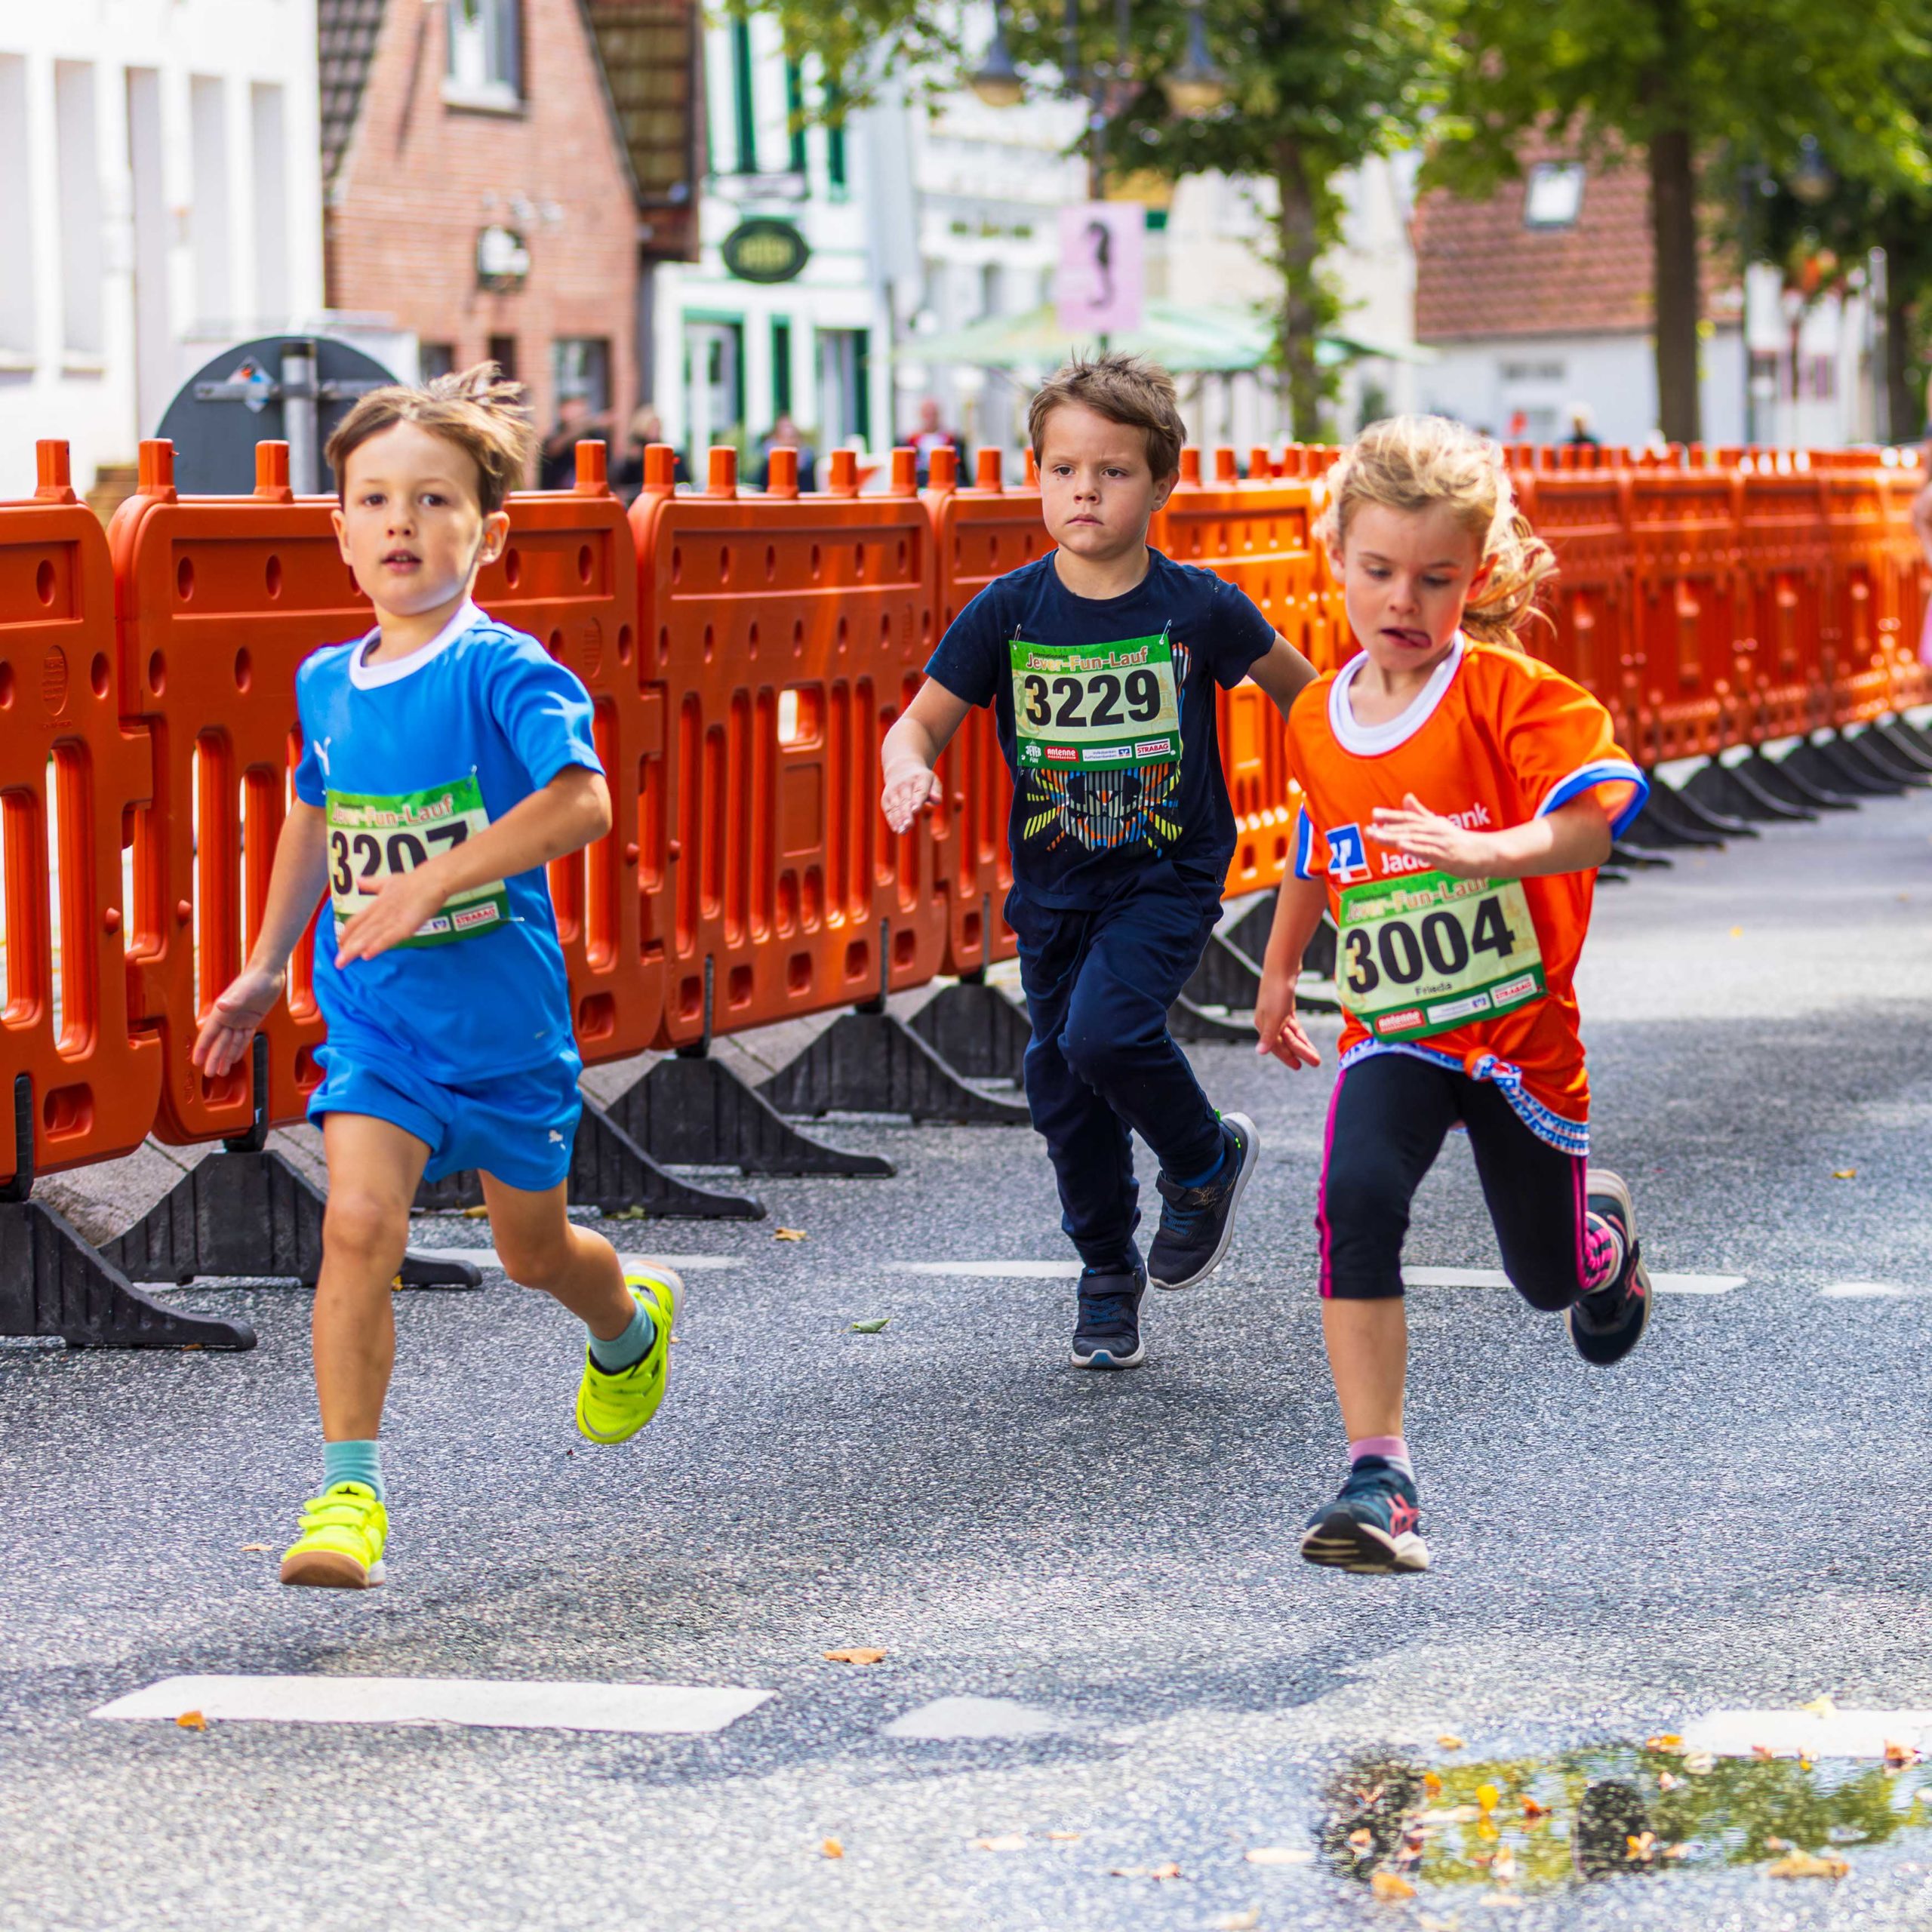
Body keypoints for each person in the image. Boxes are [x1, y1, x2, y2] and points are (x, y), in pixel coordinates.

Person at [192, 365, 679, 1590]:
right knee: (358, 1224)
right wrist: (264, 966)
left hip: (504, 1030)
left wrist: (433, 880)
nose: (401, 522)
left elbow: (582, 802)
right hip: (378, 1023)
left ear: (489, 533)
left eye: (434, 499)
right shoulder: (326, 680)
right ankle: (347, 1494)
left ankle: (627, 1325)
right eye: (375, 499)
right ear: (340, 530)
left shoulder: (504, 670)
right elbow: (314, 813)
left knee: (535, 1254)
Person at [1253, 414, 1652, 1577]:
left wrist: (1488, 852)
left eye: (1435, 578)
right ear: (1336, 556)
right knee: (1355, 1196)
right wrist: (1279, 969)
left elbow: (1593, 821)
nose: (1403, 600)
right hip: (1400, 1030)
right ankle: (1379, 1478)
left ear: (1475, 577)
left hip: (1520, 1042)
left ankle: (1600, 1241)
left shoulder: (1510, 696)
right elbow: (1319, 844)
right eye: (1379, 570)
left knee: (1545, 1277)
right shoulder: (1318, 716)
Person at [879, 352, 1318, 1370]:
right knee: (1061, 1084)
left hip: (1167, 873)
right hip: (1054, 886)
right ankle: (1107, 1271)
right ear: (1036, 475)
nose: (1085, 489)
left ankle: (1203, 1159)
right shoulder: (1008, 611)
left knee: (1108, 1033)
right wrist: (908, 769)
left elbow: (1308, 697)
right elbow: (919, 722)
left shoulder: (1200, 607)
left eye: (1113, 471)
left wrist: (1353, 782)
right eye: (1064, 469)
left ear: (1162, 484)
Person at [611, 405, 690, 501]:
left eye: (658, 427)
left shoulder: (667, 452)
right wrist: (633, 461)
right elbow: (622, 483)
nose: (656, 431)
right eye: (652, 427)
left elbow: (682, 479)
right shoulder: (633, 453)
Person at [538, 392, 614, 491]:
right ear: (562, 411)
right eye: (573, 407)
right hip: (558, 492)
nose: (578, 412)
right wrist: (586, 425)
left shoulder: (595, 435)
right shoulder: (555, 435)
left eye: (581, 406)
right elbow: (553, 449)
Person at [755, 414, 817, 492]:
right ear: (777, 439)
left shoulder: (809, 465)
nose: (790, 442)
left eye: (793, 437)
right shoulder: (768, 468)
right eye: (785, 437)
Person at [909, 397, 958, 485]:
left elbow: (960, 472)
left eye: (933, 414)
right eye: (927, 414)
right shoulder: (910, 442)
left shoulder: (952, 441)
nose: (930, 419)